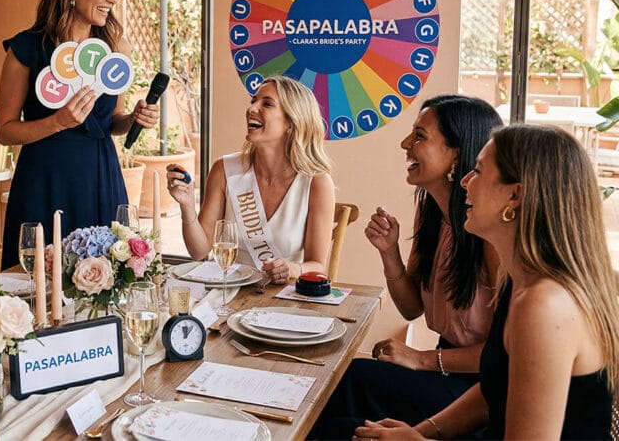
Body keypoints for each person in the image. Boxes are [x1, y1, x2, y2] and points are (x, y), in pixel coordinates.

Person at [354, 124, 618, 439]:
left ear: (515, 195)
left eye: (478, 171)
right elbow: (494, 389)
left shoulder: (545, 305)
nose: (465, 181)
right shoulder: (519, 281)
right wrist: (423, 432)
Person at [311, 94, 502, 439]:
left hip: (478, 389)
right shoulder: (432, 212)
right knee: (341, 396)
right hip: (446, 372)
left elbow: (504, 357)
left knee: (349, 387)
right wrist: (389, 253)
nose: (405, 144)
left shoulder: (489, 237)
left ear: (456, 155)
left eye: (419, 136)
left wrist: (423, 359)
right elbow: (411, 308)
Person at [0, 0, 158, 270]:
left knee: (105, 277)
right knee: (39, 281)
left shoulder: (115, 47)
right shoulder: (26, 49)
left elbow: (113, 120)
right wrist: (57, 122)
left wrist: (134, 119)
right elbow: (4, 130)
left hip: (100, 174)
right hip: (45, 178)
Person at [166, 75, 335, 285]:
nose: (252, 109)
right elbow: (198, 251)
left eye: (267, 104)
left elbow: (318, 265)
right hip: (231, 293)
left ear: (292, 122)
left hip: (285, 298)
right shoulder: (224, 170)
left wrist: (291, 268)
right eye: (253, 101)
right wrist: (187, 206)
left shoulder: (317, 183)